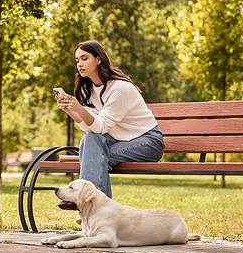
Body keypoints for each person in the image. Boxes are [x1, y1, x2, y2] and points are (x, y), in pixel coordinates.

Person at [55, 40, 165, 198]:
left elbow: (101, 127)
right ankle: (99, 211)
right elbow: (91, 128)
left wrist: (78, 107)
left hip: (148, 142)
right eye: (77, 60)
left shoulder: (119, 88)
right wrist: (71, 110)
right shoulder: (89, 90)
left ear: (98, 59)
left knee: (94, 156)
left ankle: (90, 209)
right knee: (90, 140)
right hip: (119, 141)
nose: (79, 64)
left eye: (85, 59)